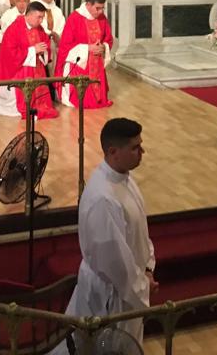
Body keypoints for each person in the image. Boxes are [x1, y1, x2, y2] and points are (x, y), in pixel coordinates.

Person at [56, 118, 154, 353]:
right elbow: (114, 261)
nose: (142, 151)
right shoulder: (103, 197)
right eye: (135, 147)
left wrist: (148, 267)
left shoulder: (125, 180)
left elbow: (140, 232)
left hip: (128, 287)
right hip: (112, 295)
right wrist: (142, 286)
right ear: (113, 152)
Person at [0, 1, 57, 120]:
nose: (41, 21)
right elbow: (10, 54)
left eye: (42, 17)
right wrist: (33, 50)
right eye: (39, 17)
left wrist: (43, 50)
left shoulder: (39, 28)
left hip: (37, 68)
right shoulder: (13, 29)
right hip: (18, 70)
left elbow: (45, 43)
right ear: (29, 15)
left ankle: (39, 104)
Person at [55, 0, 114, 108]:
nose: (100, 11)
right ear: (88, 5)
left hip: (97, 63)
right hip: (80, 64)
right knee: (82, 101)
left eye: (102, 8)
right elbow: (65, 45)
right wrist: (88, 48)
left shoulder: (102, 18)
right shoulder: (75, 18)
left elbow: (108, 39)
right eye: (97, 8)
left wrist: (104, 47)